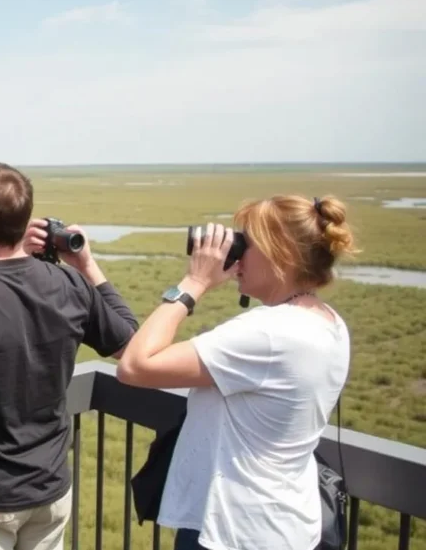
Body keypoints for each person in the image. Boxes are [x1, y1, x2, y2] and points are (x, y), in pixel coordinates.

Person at [0, 161, 139, 550]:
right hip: (50, 489)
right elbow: (129, 343)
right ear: (24, 220)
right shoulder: (70, 283)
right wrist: (86, 265)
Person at [115, 195, 356, 550]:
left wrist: (193, 283)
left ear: (282, 254)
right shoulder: (329, 322)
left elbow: (134, 366)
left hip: (235, 531)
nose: (236, 254)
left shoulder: (271, 332)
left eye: (247, 243)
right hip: (284, 522)